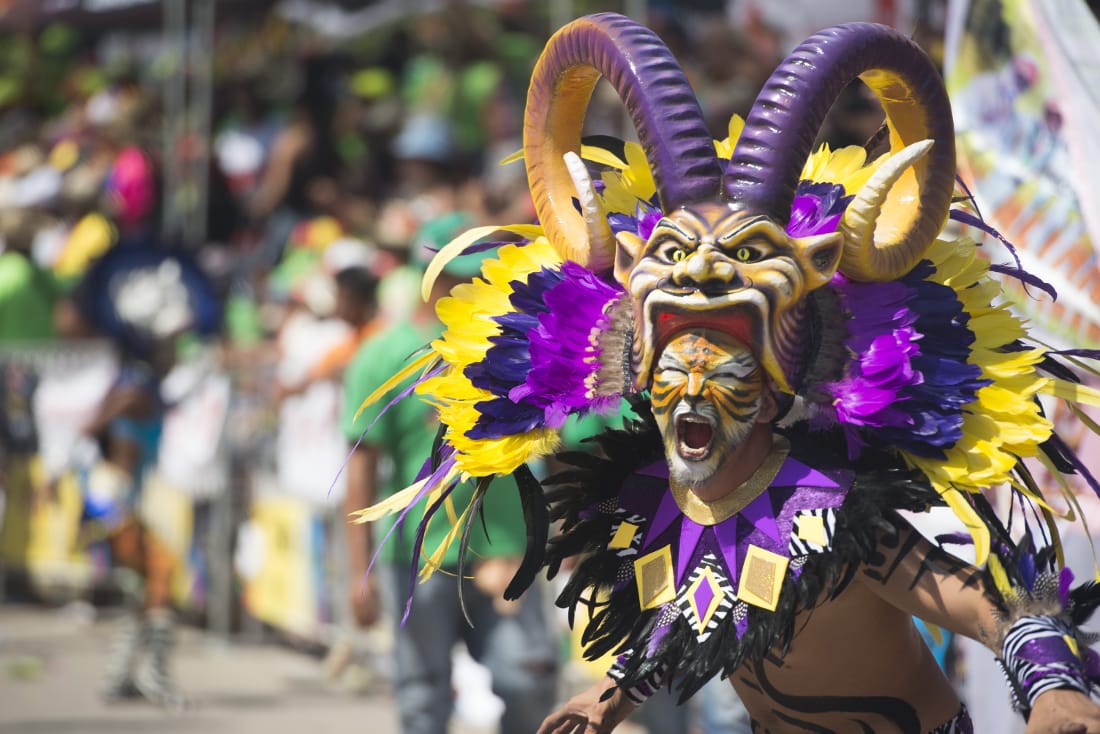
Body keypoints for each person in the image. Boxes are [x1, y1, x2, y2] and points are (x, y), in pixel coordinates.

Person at [349, 14, 1100, 734]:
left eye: (722, 371)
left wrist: (1055, 690)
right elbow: (687, 613)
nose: (692, 393)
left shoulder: (835, 509)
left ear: (774, 385)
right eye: (673, 374)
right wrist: (608, 697)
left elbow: (993, 609)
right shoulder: (657, 500)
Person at [341, 246, 557, 734]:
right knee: (422, 695)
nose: (475, 284)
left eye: (481, 275)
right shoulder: (383, 353)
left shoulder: (520, 345)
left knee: (527, 679)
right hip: (420, 558)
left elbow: (561, 444)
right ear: (433, 280)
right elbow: (361, 471)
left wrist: (561, 535)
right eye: (460, 275)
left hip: (505, 554)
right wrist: (360, 572)